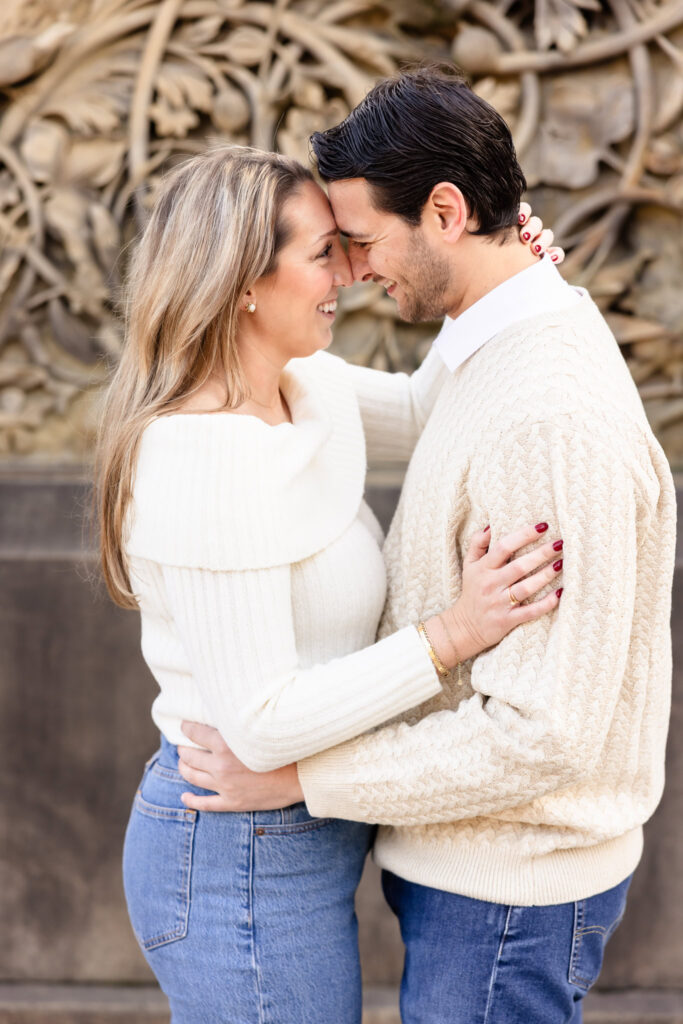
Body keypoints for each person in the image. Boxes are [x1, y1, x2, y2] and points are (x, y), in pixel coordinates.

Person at [179, 67, 677, 1024]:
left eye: (362, 241)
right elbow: (419, 407)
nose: (356, 269)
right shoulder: (503, 330)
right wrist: (229, 354)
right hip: (479, 876)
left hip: (507, 895)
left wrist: (298, 778)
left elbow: (542, 731)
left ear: (446, 210)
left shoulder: (548, 423)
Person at [95, 143, 563, 1023]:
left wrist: (508, 275)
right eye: (323, 252)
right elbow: (262, 724)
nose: (347, 272)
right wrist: (453, 633)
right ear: (241, 283)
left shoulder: (301, 385)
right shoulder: (204, 460)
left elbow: (434, 408)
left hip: (294, 835)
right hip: (236, 855)